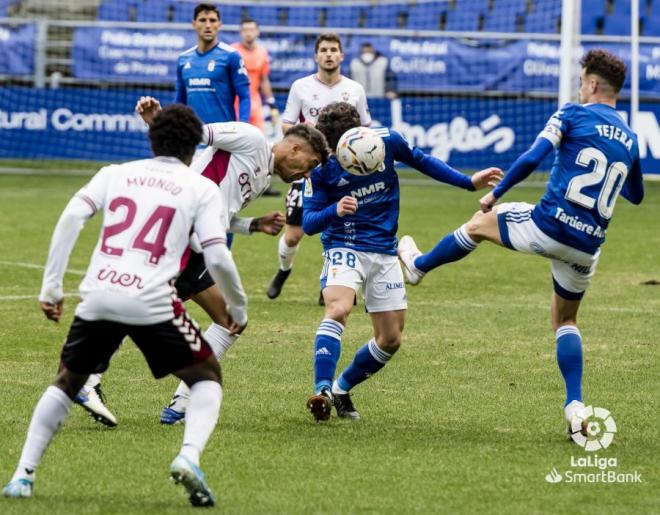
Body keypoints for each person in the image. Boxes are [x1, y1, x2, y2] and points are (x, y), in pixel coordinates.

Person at [2, 105, 248, 507]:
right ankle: (188, 456)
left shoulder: (114, 172)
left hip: (98, 295)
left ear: (151, 140)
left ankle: (22, 475)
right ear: (194, 146)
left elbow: (70, 216)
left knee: (66, 382)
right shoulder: (200, 187)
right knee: (206, 377)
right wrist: (238, 307)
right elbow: (217, 256)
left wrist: (51, 287)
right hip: (153, 299)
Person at [397, 49, 644, 433]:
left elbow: (532, 157)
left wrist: (496, 194)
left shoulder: (571, 114)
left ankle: (418, 266)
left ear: (593, 84)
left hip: (548, 225)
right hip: (587, 244)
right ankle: (574, 406)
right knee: (566, 320)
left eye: (582, 82)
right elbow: (638, 195)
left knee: (479, 224)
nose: (580, 88)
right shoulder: (629, 137)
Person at [304, 102, 503, 421]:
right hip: (344, 244)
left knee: (391, 339)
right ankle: (322, 389)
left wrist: (468, 182)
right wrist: (334, 210)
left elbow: (422, 161)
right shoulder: (321, 167)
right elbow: (308, 223)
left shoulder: (386, 141)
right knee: (338, 308)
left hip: (383, 249)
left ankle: (341, 389)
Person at [138, 96, 329, 425]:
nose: (306, 174)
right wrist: (157, 119)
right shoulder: (250, 138)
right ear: (295, 150)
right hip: (180, 235)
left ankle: (180, 402)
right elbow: (196, 132)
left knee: (227, 322)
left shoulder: (263, 178)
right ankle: (90, 381)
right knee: (138, 315)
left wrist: (251, 225)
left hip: (194, 246)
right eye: (310, 164)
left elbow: (222, 215)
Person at [267, 33, 371, 303]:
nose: (328, 54)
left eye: (333, 49)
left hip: (344, 170)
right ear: (316, 56)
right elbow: (287, 124)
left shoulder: (354, 89)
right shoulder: (300, 86)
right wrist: (308, 131)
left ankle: (338, 283)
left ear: (341, 55)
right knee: (293, 236)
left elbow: (365, 128)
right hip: (309, 169)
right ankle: (283, 270)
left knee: (344, 226)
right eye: (323, 50)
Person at [176, 3, 250, 124]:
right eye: (202, 20)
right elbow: (180, 99)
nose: (208, 25)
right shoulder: (183, 59)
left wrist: (243, 125)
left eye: (212, 20)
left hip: (223, 136)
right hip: (193, 135)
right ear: (194, 24)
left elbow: (244, 96)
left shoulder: (231, 56)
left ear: (219, 24)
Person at [232, 18, 281, 197]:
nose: (248, 33)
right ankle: (234, 184)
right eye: (245, 29)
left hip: (255, 103)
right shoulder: (232, 52)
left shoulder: (262, 52)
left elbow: (264, 80)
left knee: (261, 144)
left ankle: (262, 185)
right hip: (235, 104)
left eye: (251, 29)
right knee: (236, 145)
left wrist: (272, 104)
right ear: (241, 32)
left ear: (257, 32)